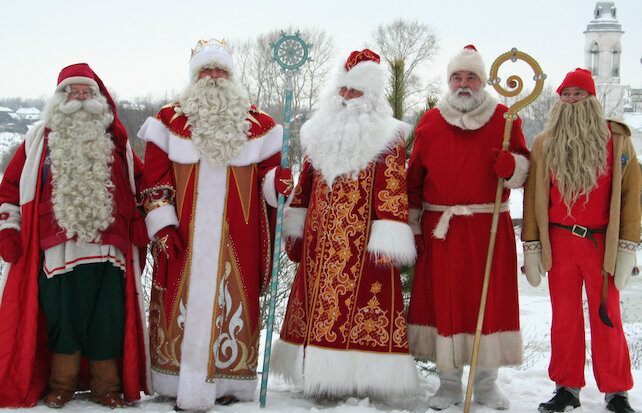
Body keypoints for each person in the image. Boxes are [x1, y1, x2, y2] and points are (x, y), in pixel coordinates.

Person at [138, 38, 291, 411]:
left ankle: (229, 383)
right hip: (183, 238)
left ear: (232, 75)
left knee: (233, 305)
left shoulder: (262, 127)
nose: (213, 77)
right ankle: (174, 383)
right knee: (181, 302)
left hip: (236, 241)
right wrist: (162, 227)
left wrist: (280, 183)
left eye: (220, 70)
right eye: (206, 70)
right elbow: (155, 182)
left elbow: (269, 185)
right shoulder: (167, 122)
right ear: (194, 76)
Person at [270, 49, 419, 398]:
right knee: (318, 306)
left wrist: (388, 236)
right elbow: (304, 184)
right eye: (344, 90)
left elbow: (393, 189)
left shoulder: (389, 135)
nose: (348, 98)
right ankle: (318, 377)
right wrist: (294, 221)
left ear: (371, 96)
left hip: (362, 241)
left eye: (356, 92)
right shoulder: (315, 132)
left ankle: (355, 380)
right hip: (320, 241)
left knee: (360, 307)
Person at [0, 63, 151, 408]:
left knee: (108, 318)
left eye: (87, 92)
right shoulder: (38, 142)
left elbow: (144, 187)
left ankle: (106, 386)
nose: (80, 98)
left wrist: (145, 221)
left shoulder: (118, 145)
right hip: (57, 249)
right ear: (59, 98)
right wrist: (9, 230)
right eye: (73, 91)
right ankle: (61, 384)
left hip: (109, 251)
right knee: (61, 318)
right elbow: (9, 190)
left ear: (98, 99)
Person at [406, 45, 529, 410]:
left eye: (470, 77)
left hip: (487, 227)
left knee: (487, 301)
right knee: (445, 302)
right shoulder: (430, 121)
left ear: (482, 82)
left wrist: (513, 167)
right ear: (448, 81)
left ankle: (487, 383)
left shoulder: (505, 119)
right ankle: (447, 384)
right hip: (441, 230)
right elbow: (413, 179)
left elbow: (524, 169)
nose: (463, 84)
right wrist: (412, 226)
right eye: (457, 77)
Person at [522, 68, 639, 413]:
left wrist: (628, 247)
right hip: (559, 243)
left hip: (601, 245)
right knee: (565, 319)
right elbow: (532, 199)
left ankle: (617, 391)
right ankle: (566, 387)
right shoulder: (544, 143)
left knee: (608, 317)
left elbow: (632, 196)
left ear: (592, 100)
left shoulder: (617, 141)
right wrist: (531, 245)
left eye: (579, 94)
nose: (571, 100)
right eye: (566, 94)